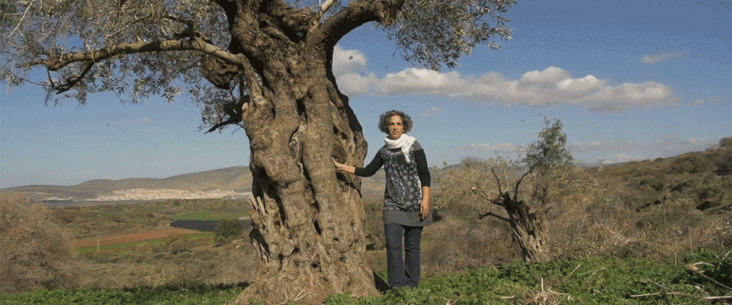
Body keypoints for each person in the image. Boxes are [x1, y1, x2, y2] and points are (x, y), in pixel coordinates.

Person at [333, 110, 432, 289]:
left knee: (412, 247)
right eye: (392, 124)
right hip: (392, 205)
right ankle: (398, 287)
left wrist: (426, 201)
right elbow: (368, 171)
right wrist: (343, 168)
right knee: (393, 247)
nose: (395, 127)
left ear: (404, 126)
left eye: (399, 124)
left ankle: (413, 286)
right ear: (386, 127)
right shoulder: (384, 151)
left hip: (415, 204)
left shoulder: (414, 146)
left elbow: (425, 175)